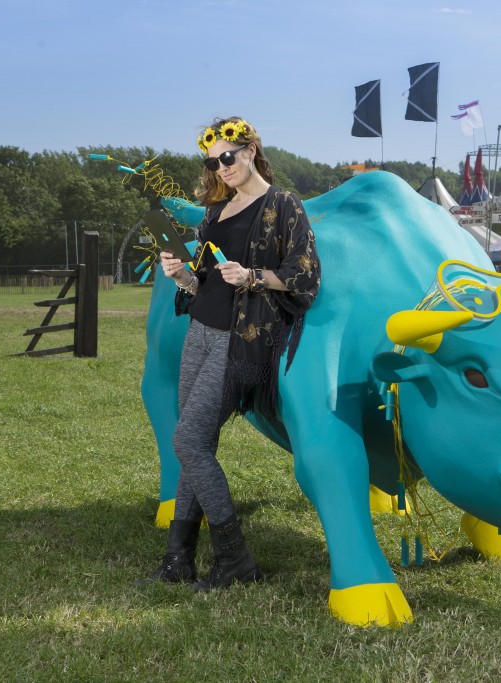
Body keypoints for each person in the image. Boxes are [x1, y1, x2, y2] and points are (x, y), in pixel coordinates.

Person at [145, 116, 321, 592]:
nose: (221, 167)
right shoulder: (215, 212)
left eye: (228, 156)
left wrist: (253, 277)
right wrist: (180, 274)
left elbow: (305, 276)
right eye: (212, 160)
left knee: (188, 441)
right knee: (194, 441)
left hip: (242, 340)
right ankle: (178, 559)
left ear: (251, 151)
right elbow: (202, 284)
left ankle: (235, 560)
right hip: (200, 332)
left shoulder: (283, 205)